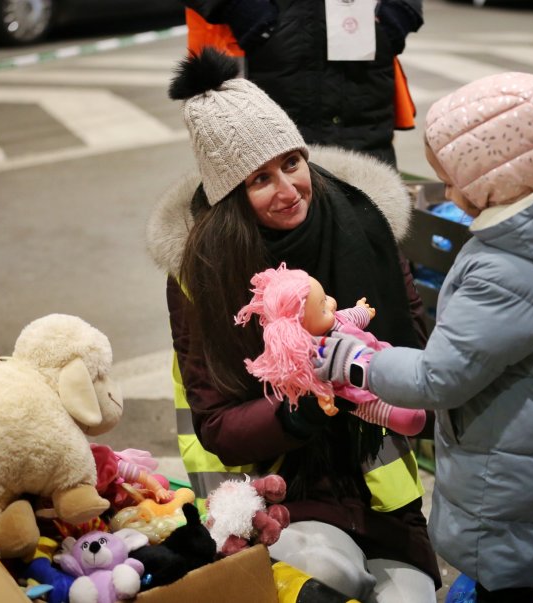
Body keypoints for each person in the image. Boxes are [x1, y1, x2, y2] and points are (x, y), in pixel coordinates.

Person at [146, 48, 439, 602]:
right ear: (231, 195)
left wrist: (362, 365)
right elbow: (216, 423)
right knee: (330, 575)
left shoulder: (364, 228)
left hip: (379, 489)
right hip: (275, 488)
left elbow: (418, 358)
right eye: (260, 179)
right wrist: (300, 404)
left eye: (291, 163)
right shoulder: (202, 274)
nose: (288, 189)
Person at [314, 72, 533, 603]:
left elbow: (439, 378)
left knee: (505, 582)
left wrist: (356, 362)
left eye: (456, 179)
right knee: (519, 572)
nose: (450, 193)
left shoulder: (511, 270)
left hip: (506, 480)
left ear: (500, 178)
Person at [178, 0, 423, 167]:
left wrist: (398, 12)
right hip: (260, 58)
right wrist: (240, 8)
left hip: (360, 60)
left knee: (366, 204)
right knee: (261, 209)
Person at [234, 263, 427, 436]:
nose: (332, 303)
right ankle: (407, 417)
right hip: (357, 392)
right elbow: (315, 382)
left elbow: (351, 317)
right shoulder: (315, 353)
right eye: (323, 308)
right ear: (300, 328)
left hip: (378, 356)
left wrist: (363, 311)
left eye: (325, 297)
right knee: (400, 415)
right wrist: (323, 397)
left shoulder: (336, 320)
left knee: (405, 377)